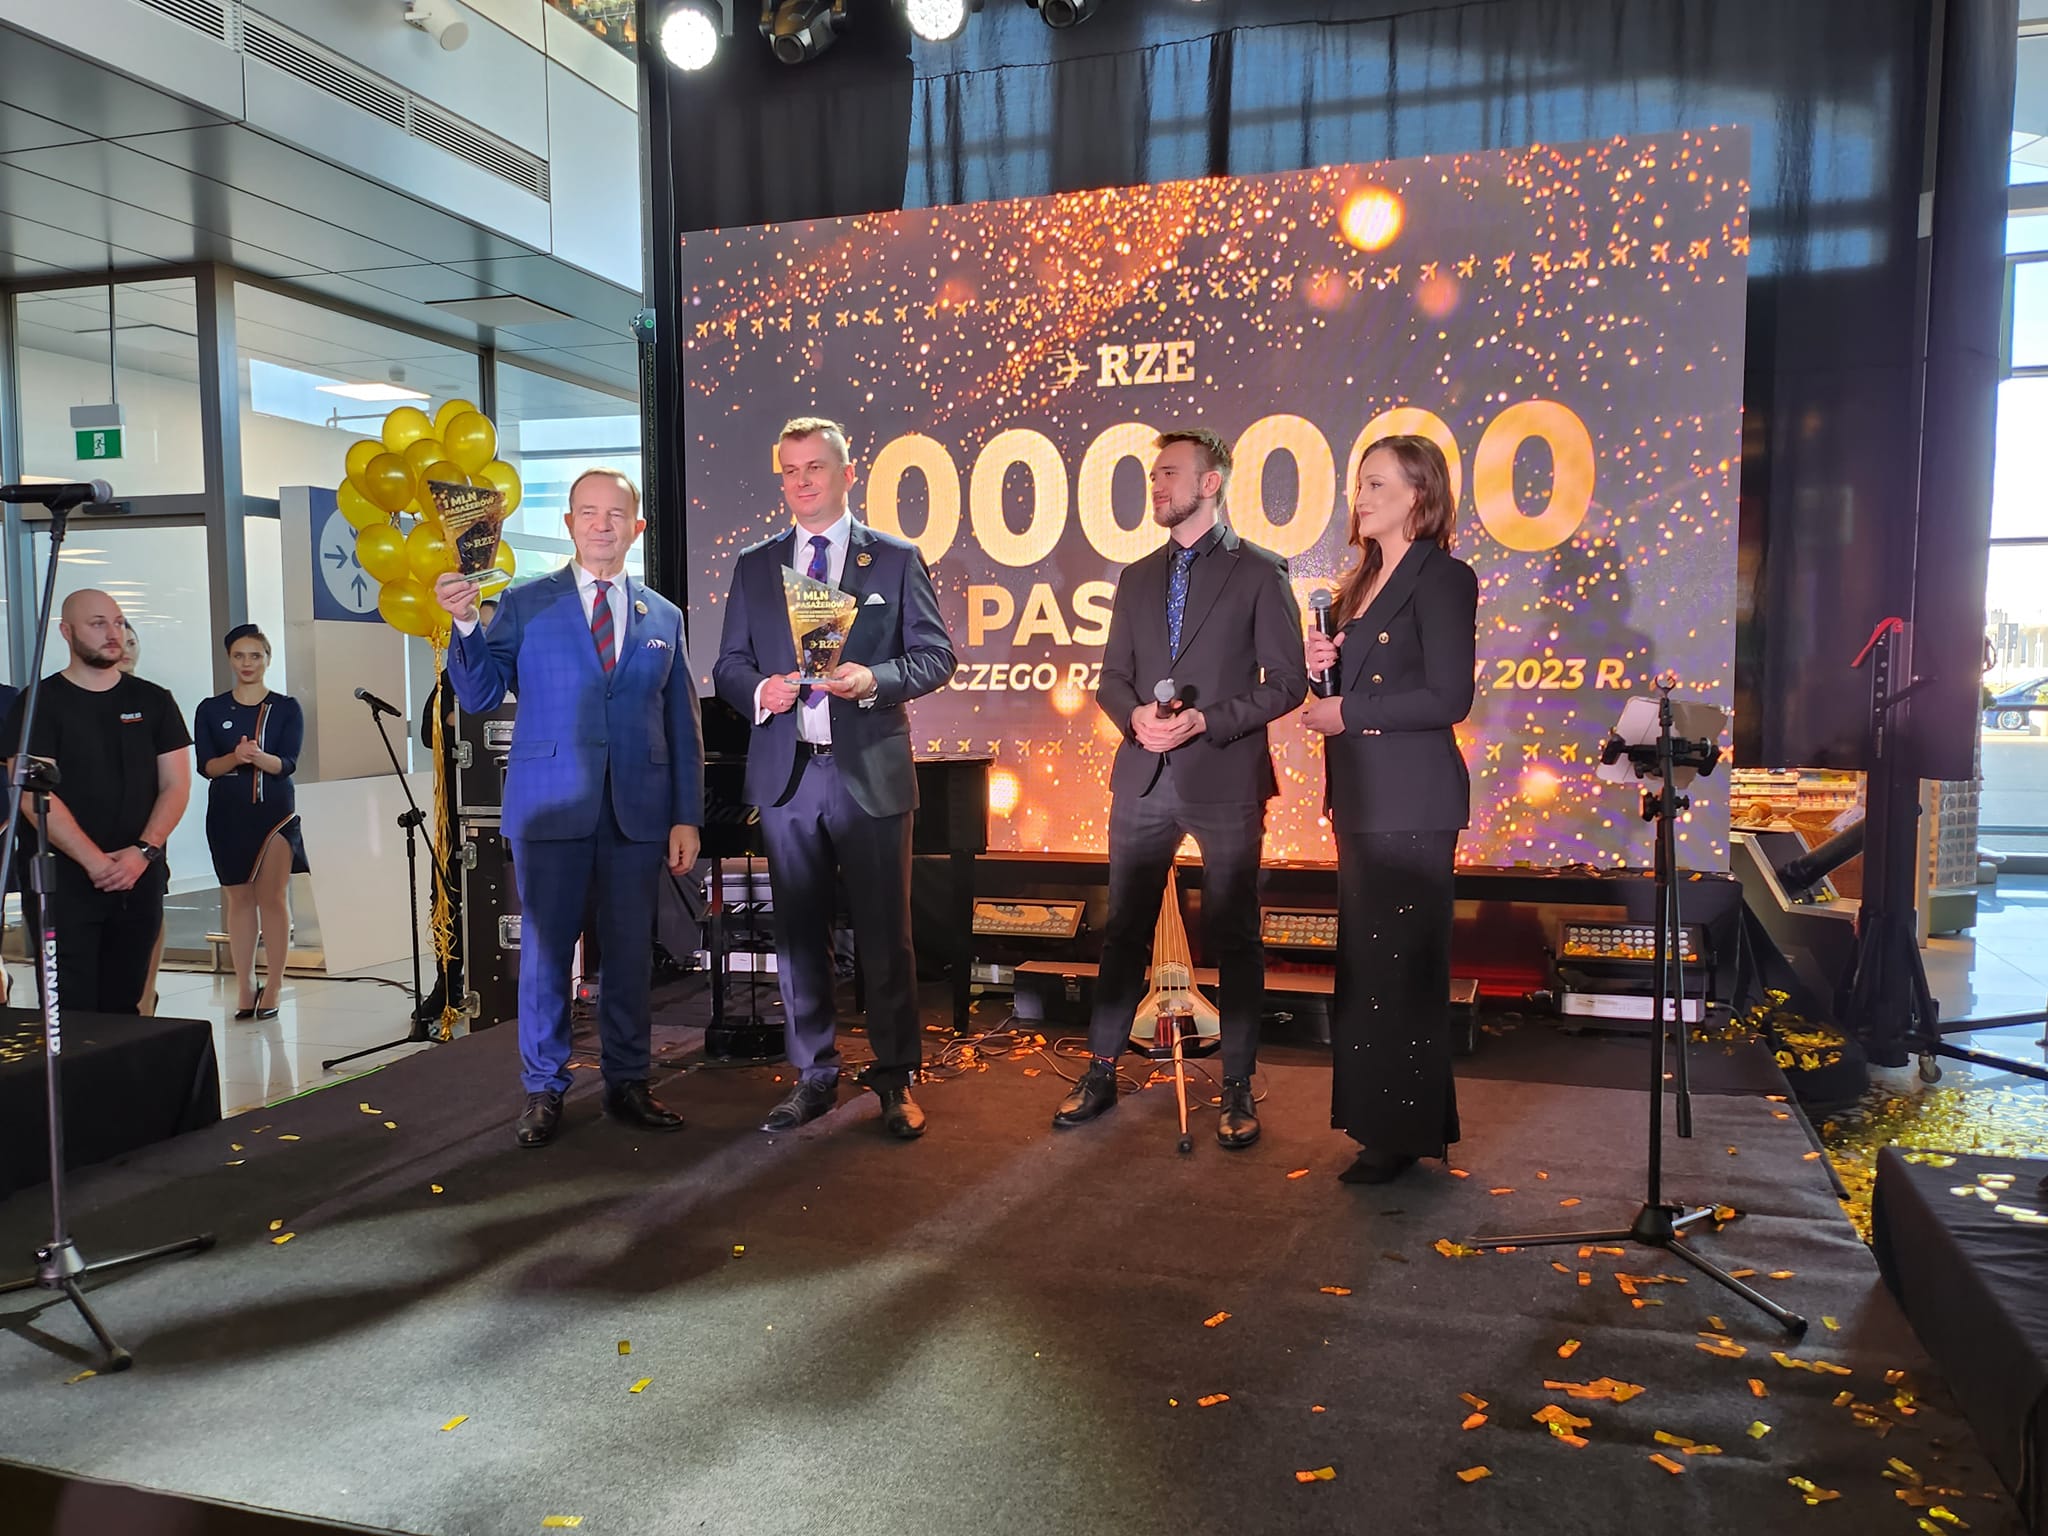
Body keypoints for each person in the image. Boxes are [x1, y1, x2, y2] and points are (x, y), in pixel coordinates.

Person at [1052, 428, 1307, 1147]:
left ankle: (1237, 1084)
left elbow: (1289, 683)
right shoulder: (1136, 577)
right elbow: (1112, 678)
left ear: (1210, 482)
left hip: (1224, 776)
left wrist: (1206, 720)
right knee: (1123, 930)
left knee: (1235, 933)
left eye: (1169, 473)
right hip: (1143, 774)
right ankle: (1101, 1070)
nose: (1157, 485)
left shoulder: (1260, 572)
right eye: (1153, 475)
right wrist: (1132, 716)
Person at [435, 469, 702, 1148]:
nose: (601, 524)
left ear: (637, 528)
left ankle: (627, 1081)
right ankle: (544, 1088)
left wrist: (687, 816)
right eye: (588, 512)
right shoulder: (524, 603)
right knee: (547, 955)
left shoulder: (664, 616)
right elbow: (479, 693)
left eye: (615, 514)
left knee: (631, 956)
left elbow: (682, 725)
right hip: (550, 809)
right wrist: (464, 622)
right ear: (570, 523)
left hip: (637, 814)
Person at [713, 415, 956, 1139]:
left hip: (869, 772)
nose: (802, 482)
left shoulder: (894, 559)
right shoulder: (756, 564)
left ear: (848, 474)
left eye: (815, 467)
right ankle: (813, 1075)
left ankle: (895, 1077)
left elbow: (935, 657)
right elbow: (728, 665)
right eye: (789, 471)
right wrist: (761, 691)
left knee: (885, 934)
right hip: (788, 777)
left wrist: (872, 679)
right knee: (797, 936)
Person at [1300, 434, 1478, 1185]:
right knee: (1370, 968)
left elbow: (1449, 697)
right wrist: (1322, 674)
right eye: (1360, 484)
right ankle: (1387, 1124)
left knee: (1401, 970)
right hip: (1363, 799)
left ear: (1419, 495)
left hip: (1413, 801)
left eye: (1377, 484)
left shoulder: (1444, 578)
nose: (1361, 497)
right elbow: (1347, 694)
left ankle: (1399, 1132)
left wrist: (1349, 711)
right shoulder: (1355, 586)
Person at [1, 589, 191, 1016]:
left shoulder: (154, 700)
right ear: (66, 632)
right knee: (72, 1010)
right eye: (98, 623)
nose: (113, 633)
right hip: (64, 882)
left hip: (138, 875)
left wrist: (142, 852)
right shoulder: (38, 703)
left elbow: (176, 785)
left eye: (119, 622)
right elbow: (33, 796)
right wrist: (97, 863)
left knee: (125, 1005)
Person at [193, 624, 307, 1021]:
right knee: (238, 898)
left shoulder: (286, 707)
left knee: (272, 898)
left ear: (267, 659)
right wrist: (236, 757)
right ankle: (244, 984)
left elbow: (287, 763)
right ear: (229, 659)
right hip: (227, 813)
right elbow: (207, 766)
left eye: (255, 655)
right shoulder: (210, 709)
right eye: (239, 656)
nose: (247, 663)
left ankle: (274, 982)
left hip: (274, 812)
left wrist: (258, 757)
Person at [416, 596, 497, 1029]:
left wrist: (462, 718)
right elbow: (428, 732)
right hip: (457, 810)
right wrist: (453, 720)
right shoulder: (451, 675)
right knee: (445, 896)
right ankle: (446, 984)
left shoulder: (518, 672)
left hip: (509, 810)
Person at [116, 617, 169, 1015]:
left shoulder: (153, 701)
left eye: (132, 642)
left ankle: (146, 993)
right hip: (97, 830)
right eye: (121, 641)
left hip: (149, 827)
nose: (126, 649)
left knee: (151, 907)